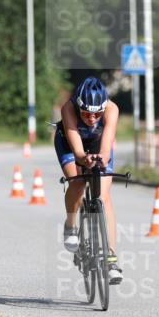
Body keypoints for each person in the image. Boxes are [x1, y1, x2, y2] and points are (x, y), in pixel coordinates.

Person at [55, 76, 123, 284]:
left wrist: (101, 158)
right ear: (79, 106)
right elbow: (76, 151)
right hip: (69, 143)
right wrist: (84, 158)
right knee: (76, 181)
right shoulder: (68, 108)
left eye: (96, 114)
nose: (92, 119)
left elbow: (107, 145)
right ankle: (71, 225)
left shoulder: (112, 108)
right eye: (86, 113)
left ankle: (110, 258)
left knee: (104, 195)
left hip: (97, 143)